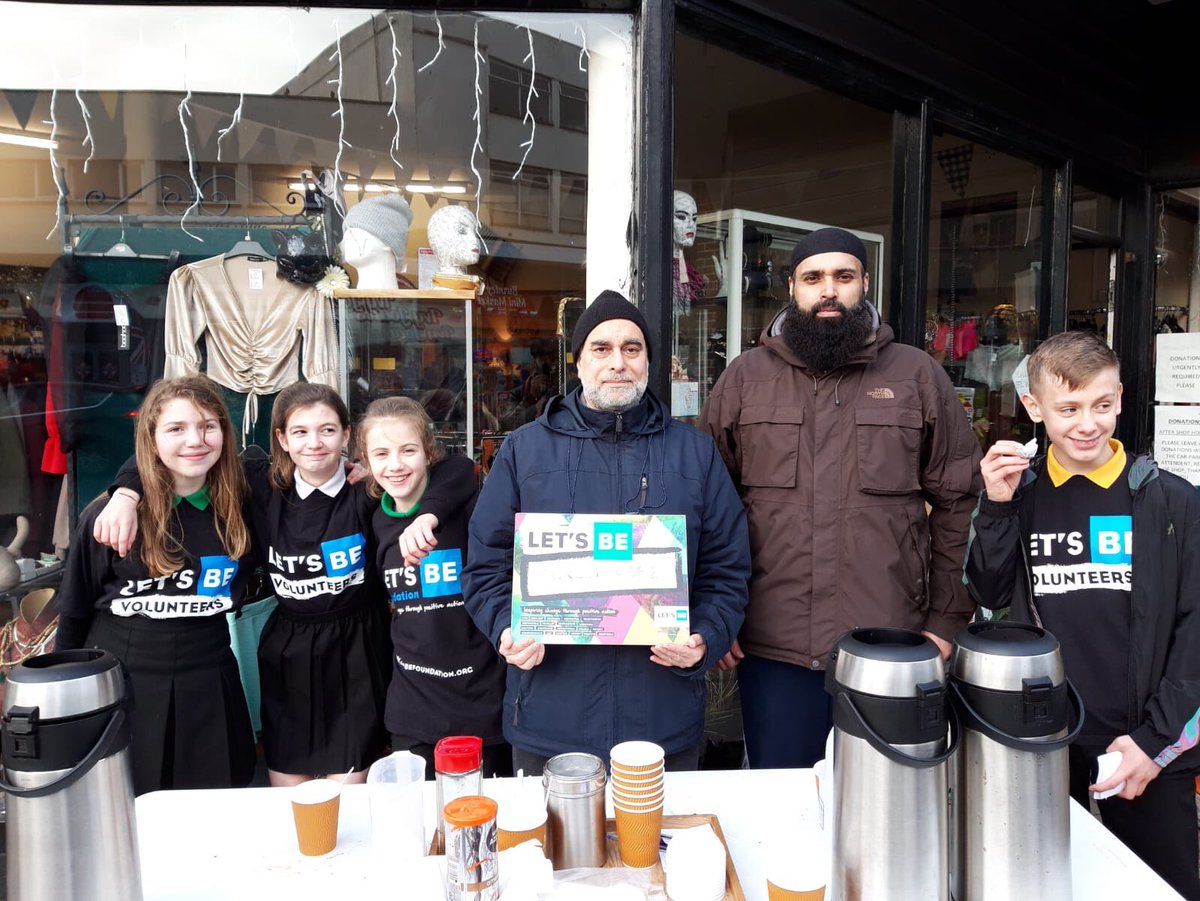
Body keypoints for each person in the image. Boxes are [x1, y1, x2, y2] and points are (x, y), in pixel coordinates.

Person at [699, 227, 983, 769]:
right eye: (813, 278)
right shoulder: (744, 379)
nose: (828, 290)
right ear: (792, 287)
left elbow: (959, 502)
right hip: (770, 643)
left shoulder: (916, 375)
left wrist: (946, 621)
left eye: (843, 276)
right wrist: (718, 615)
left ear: (865, 283)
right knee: (783, 810)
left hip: (892, 641)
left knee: (889, 811)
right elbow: (709, 506)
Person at [463, 290, 750, 774]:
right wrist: (506, 629)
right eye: (601, 348)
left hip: (662, 716)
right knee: (556, 850)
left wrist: (704, 637)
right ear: (578, 364)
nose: (617, 362)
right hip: (549, 715)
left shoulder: (694, 454)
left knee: (653, 848)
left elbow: (727, 570)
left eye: (631, 348)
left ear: (647, 362)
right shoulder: (524, 452)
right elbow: (485, 566)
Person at [965, 330, 1200, 898]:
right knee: (1044, 886)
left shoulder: (1171, 498)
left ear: (1119, 397)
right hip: (1043, 742)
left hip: (1149, 745)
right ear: (1034, 407)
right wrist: (995, 509)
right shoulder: (1020, 491)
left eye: (1100, 405)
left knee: (1160, 888)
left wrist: (1154, 741)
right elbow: (989, 595)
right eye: (1067, 408)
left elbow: (1195, 629)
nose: (1086, 423)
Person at [55, 375, 256, 795]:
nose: (195, 440)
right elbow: (73, 613)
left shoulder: (244, 505)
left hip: (210, 685)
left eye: (208, 426)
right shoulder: (108, 518)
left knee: (215, 810)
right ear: (151, 437)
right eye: (176, 429)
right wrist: (66, 703)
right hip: (125, 688)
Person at [358, 396, 509, 779]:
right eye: (381, 454)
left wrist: (428, 516)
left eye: (408, 450)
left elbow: (461, 469)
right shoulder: (373, 520)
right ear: (365, 460)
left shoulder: (466, 505)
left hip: (481, 699)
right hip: (414, 706)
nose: (395, 465)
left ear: (428, 453)